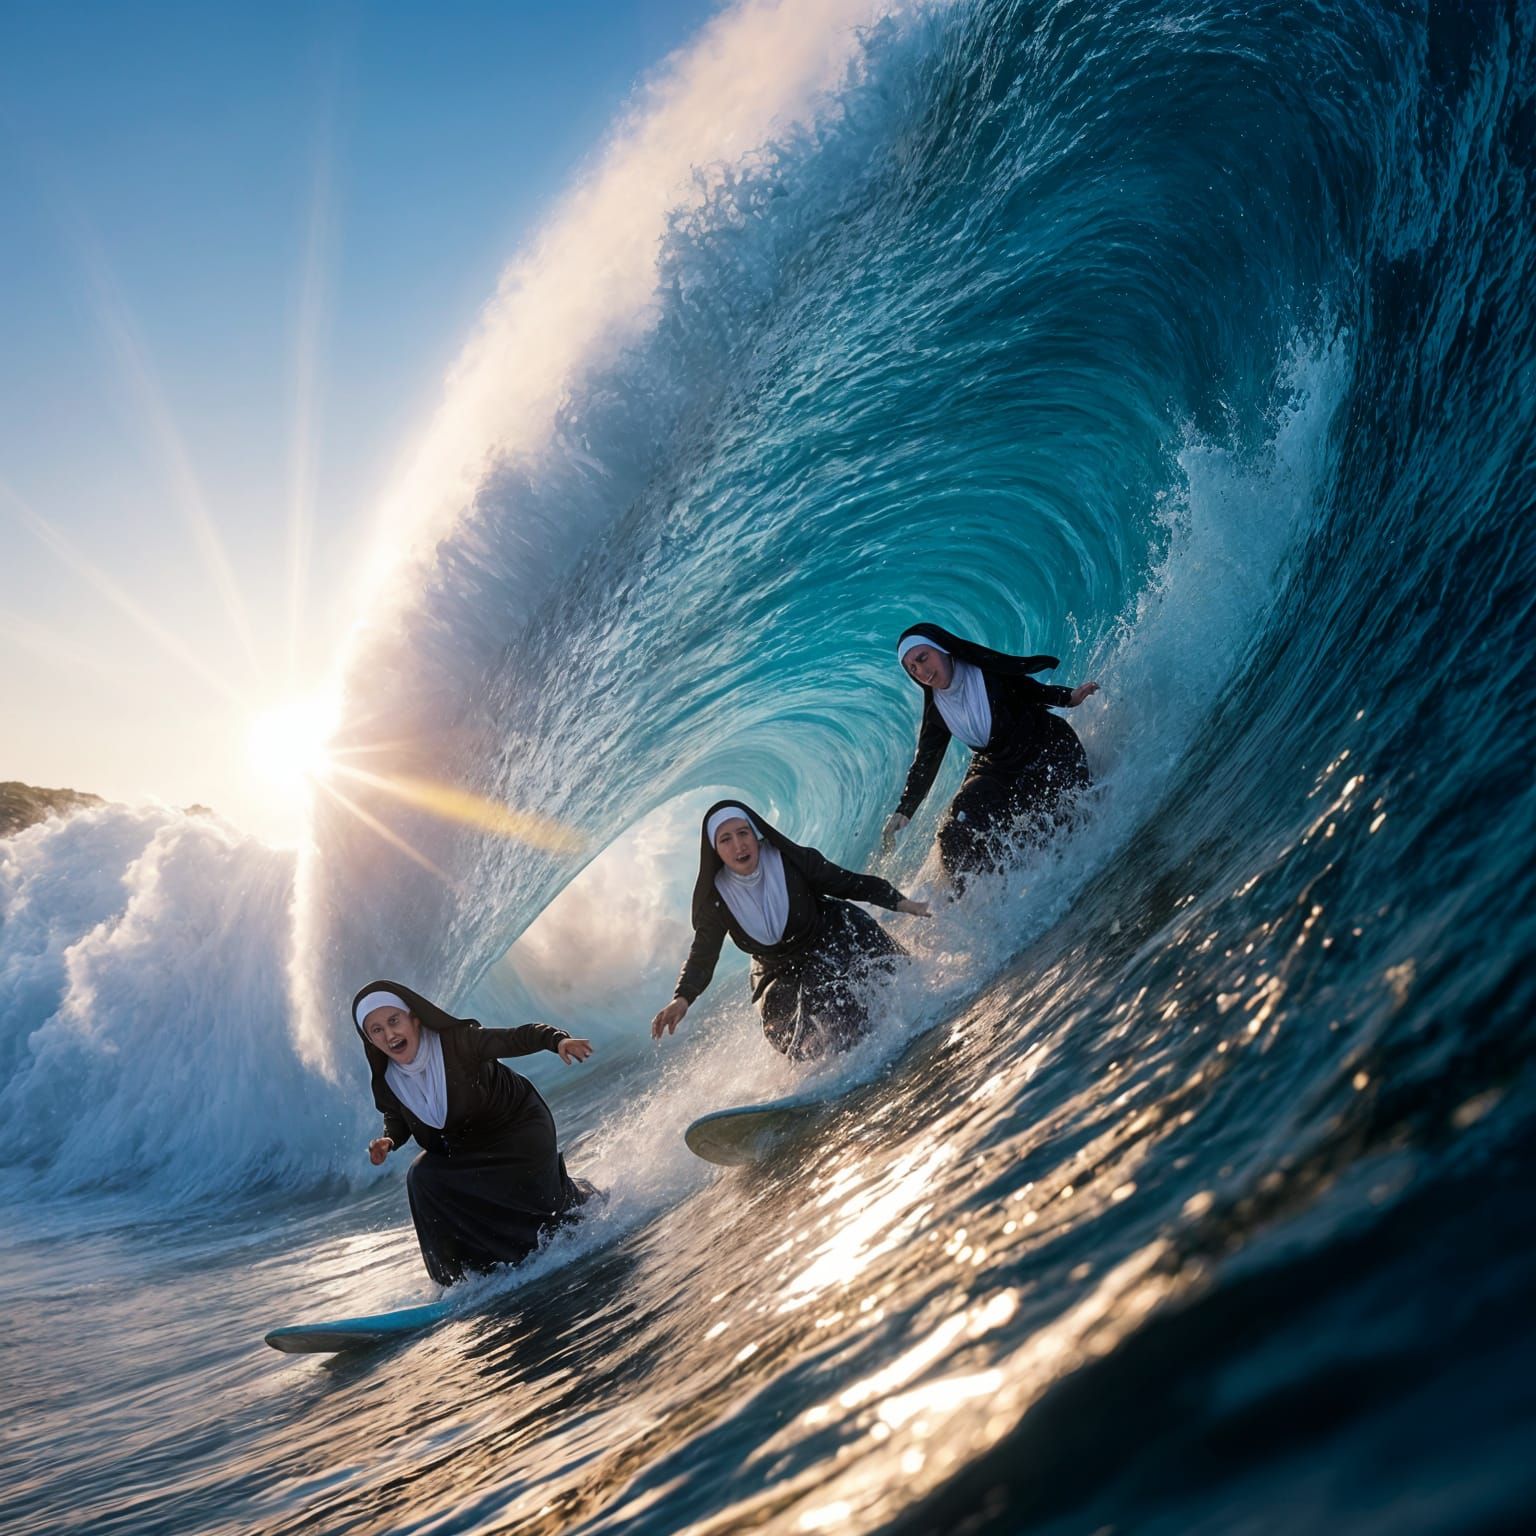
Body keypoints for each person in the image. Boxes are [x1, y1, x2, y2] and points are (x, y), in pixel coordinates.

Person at [354, 979, 598, 1286]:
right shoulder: (389, 1081)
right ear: (370, 1040)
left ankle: (578, 1210)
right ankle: (456, 1283)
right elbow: (398, 1117)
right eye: (376, 1030)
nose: (389, 1034)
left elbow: (515, 1038)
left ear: (414, 1018)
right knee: (423, 1178)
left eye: (394, 1021)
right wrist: (390, 1140)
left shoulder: (458, 1042)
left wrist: (557, 1041)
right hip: (470, 1147)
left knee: (545, 1208)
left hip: (518, 1128)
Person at [650, 800, 930, 1060]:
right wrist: (682, 998)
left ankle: (898, 1039)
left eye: (743, 833)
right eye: (726, 839)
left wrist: (900, 902)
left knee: (874, 985)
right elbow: (703, 954)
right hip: (778, 970)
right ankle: (846, 1066)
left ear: (755, 834)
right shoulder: (717, 899)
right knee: (788, 1030)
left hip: (834, 935)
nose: (739, 845)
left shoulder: (791, 860)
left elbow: (847, 883)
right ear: (715, 849)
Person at [883, 622, 1100, 884]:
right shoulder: (937, 709)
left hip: (1046, 747)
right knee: (959, 826)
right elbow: (926, 760)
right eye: (913, 669)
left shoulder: (985, 673)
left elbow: (1029, 690)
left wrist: (1069, 697)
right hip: (998, 766)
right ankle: (986, 895)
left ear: (942, 649)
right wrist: (904, 809)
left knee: (1066, 822)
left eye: (923, 657)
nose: (922, 671)